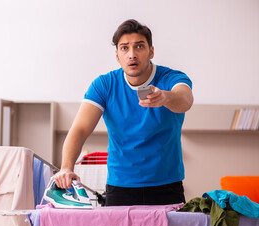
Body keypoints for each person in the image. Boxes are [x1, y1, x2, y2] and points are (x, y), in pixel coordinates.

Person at [54, 19, 194, 206]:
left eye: (139, 47)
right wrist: (66, 168)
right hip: (120, 188)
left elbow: (185, 99)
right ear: (117, 55)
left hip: (167, 186)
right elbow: (79, 129)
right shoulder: (104, 85)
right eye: (124, 48)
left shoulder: (170, 78)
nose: (132, 54)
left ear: (151, 51)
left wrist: (165, 98)